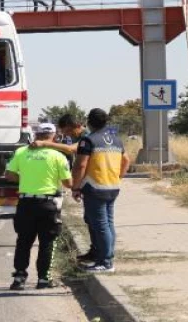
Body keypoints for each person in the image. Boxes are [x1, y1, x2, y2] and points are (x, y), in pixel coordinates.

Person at [5, 123, 72, 290]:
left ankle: (19, 277)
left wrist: (27, 179)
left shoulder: (21, 152)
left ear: (36, 134)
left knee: (23, 241)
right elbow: (68, 183)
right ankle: (43, 279)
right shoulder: (58, 156)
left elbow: (9, 175)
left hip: (26, 203)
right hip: (48, 204)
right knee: (48, 241)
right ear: (53, 136)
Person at [71, 109, 130, 273]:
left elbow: (81, 165)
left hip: (95, 188)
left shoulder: (88, 140)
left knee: (101, 225)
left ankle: (106, 262)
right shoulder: (117, 140)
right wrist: (119, 177)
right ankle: (104, 257)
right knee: (108, 223)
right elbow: (126, 160)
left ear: (89, 122)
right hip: (112, 186)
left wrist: (75, 187)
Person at [32, 114, 97, 261]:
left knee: (96, 220)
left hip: (92, 180)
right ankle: (94, 250)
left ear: (74, 126)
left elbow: (71, 150)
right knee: (90, 219)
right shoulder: (79, 135)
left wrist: (45, 144)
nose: (66, 135)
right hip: (87, 180)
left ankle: (98, 252)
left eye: (67, 131)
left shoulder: (86, 136)